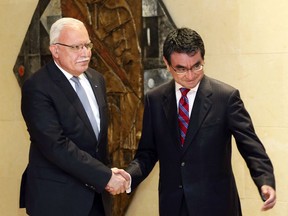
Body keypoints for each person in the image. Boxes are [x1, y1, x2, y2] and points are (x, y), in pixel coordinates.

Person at [124, 27, 276, 216]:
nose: (190, 75)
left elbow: (250, 145)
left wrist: (265, 180)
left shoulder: (225, 97)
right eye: (181, 69)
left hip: (216, 206)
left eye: (197, 66)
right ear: (166, 63)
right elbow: (147, 152)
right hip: (173, 206)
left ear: (203, 59)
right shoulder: (154, 100)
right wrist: (129, 176)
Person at [19, 17, 130, 216]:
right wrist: (105, 176)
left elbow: (95, 142)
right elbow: (56, 145)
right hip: (57, 200)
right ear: (55, 50)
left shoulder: (97, 79)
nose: (85, 53)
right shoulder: (37, 87)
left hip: (95, 198)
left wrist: (105, 176)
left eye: (87, 45)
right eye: (76, 47)